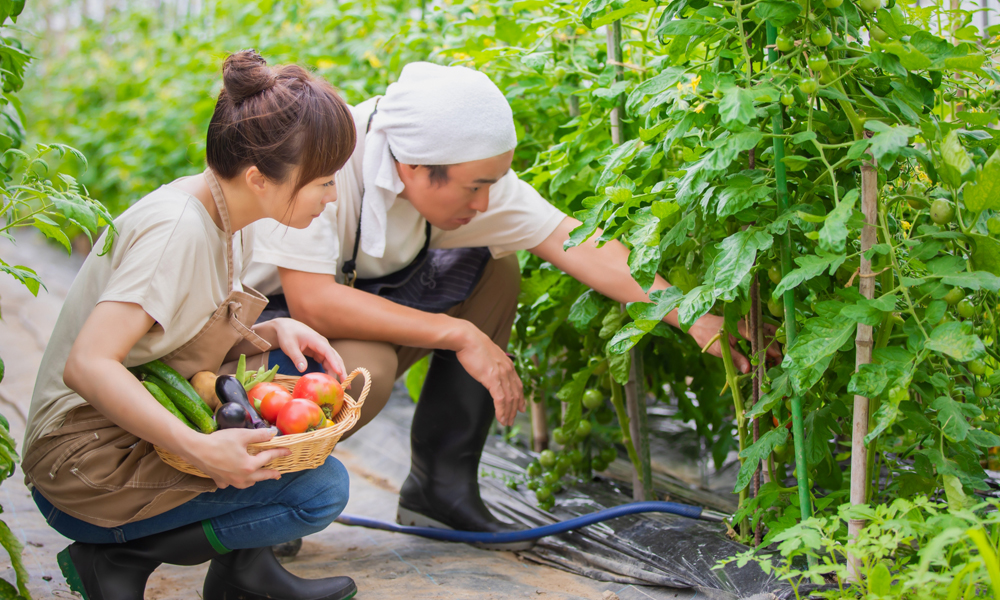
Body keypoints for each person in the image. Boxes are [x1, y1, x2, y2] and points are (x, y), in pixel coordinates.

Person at [244, 62, 782, 549]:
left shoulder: (456, 167)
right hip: (261, 340)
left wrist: (691, 313)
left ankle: (440, 489)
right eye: (474, 187)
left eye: (492, 185)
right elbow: (313, 302)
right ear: (411, 165)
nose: (483, 204)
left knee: (494, 270)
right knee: (366, 372)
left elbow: (574, 241)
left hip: (352, 306)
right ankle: (263, 503)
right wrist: (460, 335)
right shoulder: (329, 162)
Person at [22, 51, 360, 600]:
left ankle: (243, 575)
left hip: (124, 424)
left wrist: (272, 330)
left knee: (268, 393)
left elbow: (180, 336)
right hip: (80, 461)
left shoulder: (232, 217)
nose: (332, 196)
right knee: (317, 490)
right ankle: (118, 562)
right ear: (259, 177)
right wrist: (200, 450)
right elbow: (88, 365)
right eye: (322, 182)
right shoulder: (176, 231)